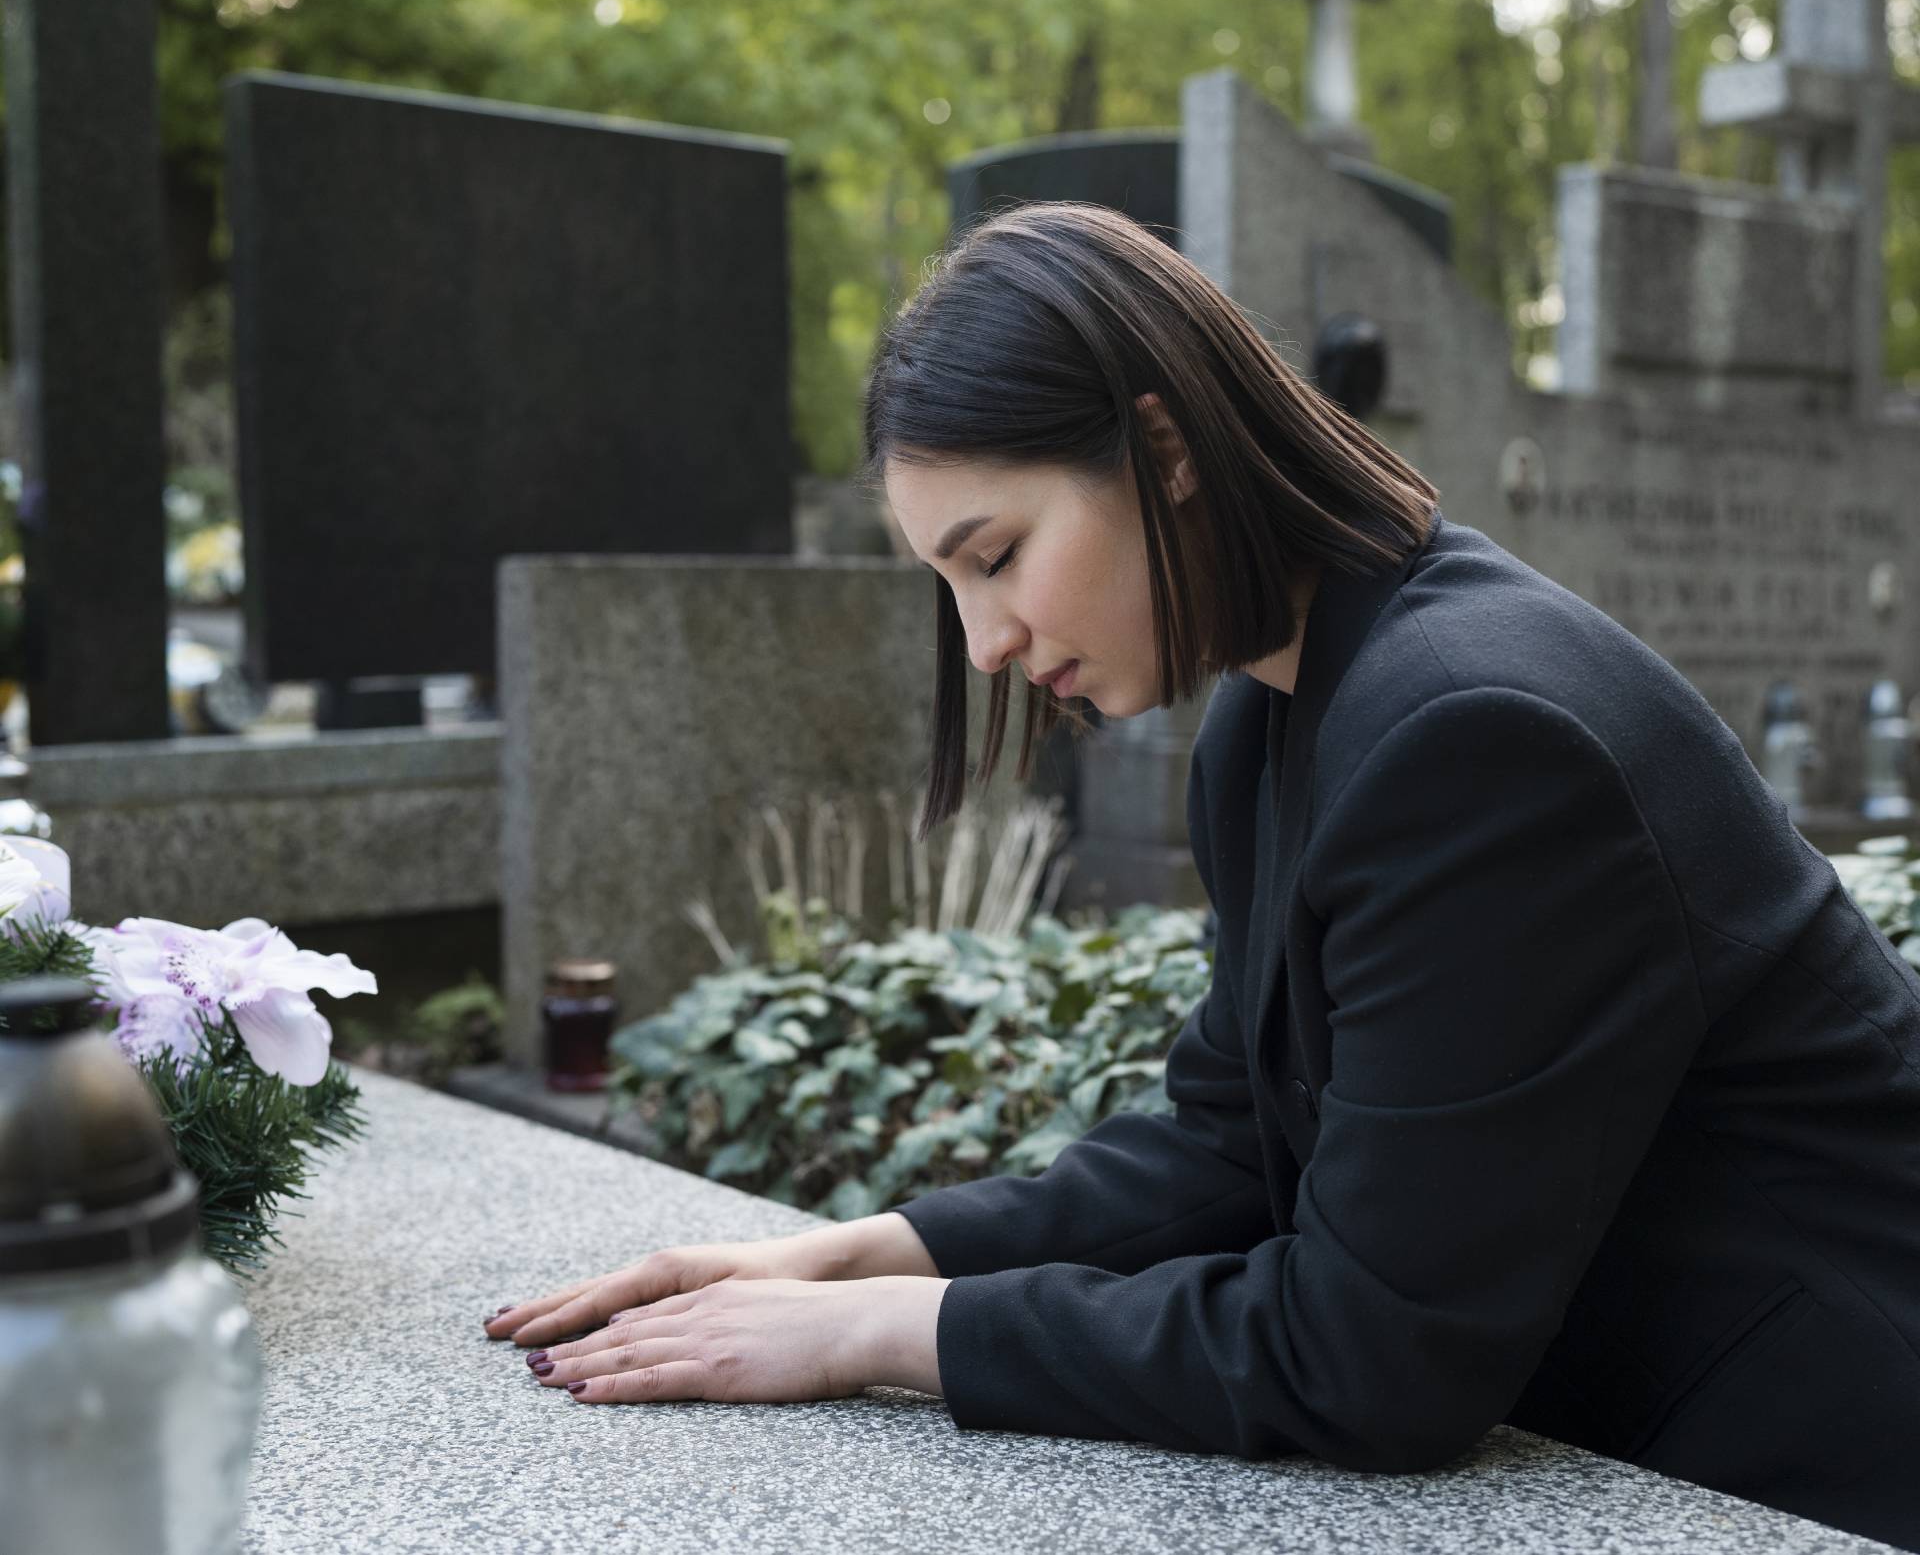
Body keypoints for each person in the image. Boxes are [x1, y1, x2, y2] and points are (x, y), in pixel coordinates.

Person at [485, 202, 1920, 1551]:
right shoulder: (1277, 712)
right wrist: (848, 1257)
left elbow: (1374, 1357)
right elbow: (1227, 1147)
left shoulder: (1480, 737)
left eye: (998, 556)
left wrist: (885, 1335)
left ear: (1164, 448)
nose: (983, 639)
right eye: (952, 585)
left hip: (1817, 1467)